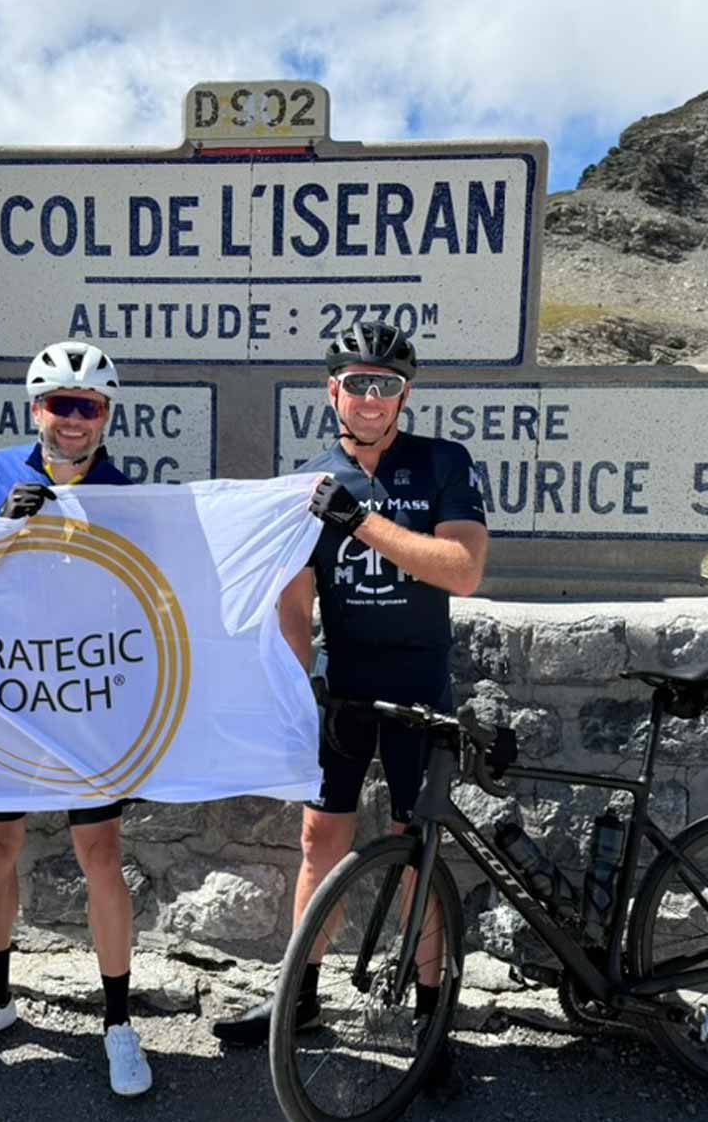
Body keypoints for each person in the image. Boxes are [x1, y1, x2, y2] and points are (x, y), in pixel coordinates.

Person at [211, 321, 488, 1079]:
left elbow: (461, 569)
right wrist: (298, 687)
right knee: (317, 842)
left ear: (406, 394)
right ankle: (299, 997)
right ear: (333, 390)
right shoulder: (310, 482)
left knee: (414, 850)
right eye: (357, 383)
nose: (371, 398)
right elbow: (296, 605)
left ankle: (432, 1016)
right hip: (346, 685)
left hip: (420, 682)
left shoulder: (441, 464)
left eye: (387, 384)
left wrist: (360, 520)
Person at [0, 340, 153, 1097]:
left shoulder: (126, 491)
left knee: (101, 850)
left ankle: (118, 1022)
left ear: (105, 416)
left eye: (88, 406)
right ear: (37, 409)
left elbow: (152, 598)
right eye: (61, 404)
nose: (73, 420)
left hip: (86, 696)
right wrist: (1, 530)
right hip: (7, 693)